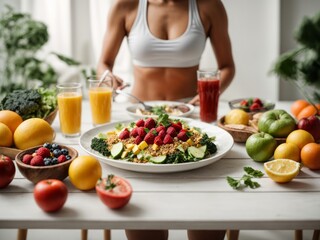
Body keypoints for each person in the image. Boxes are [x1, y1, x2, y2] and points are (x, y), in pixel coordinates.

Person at [97, 0, 235, 239]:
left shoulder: (209, 6)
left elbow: (227, 67)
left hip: (191, 120)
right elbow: (103, 64)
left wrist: (209, 92)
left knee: (207, 217)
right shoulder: (126, 5)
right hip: (139, 120)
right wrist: (108, 78)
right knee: (145, 223)